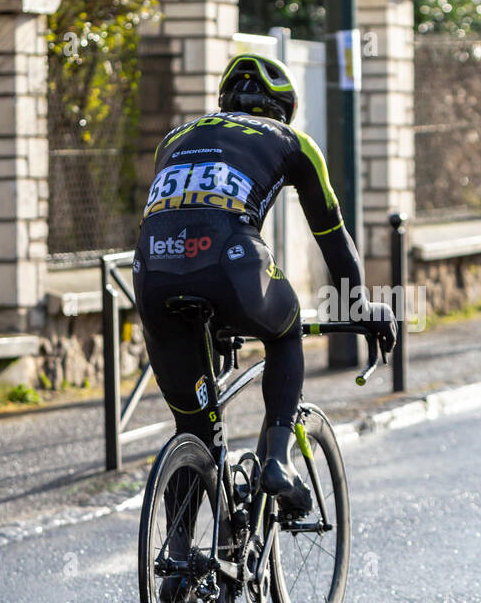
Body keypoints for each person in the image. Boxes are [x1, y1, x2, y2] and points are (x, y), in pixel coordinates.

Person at [134, 54, 396, 516]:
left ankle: (176, 567)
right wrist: (358, 307)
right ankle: (277, 462)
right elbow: (334, 240)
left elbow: (181, 214)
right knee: (284, 328)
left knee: (193, 430)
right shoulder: (292, 141)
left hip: (152, 270)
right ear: (283, 109)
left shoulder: (174, 138)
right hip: (230, 261)